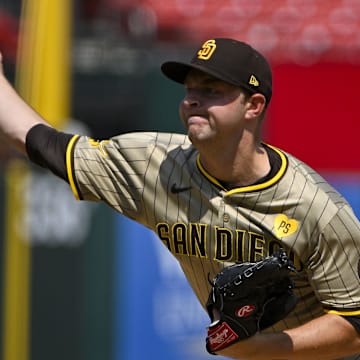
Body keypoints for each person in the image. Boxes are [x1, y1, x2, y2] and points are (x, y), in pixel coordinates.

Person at [0, 37, 360, 359]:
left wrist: (256, 350)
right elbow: (50, 147)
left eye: (212, 90)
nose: (192, 100)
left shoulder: (318, 209)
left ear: (253, 105)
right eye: (189, 89)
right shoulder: (156, 163)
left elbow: (354, 327)